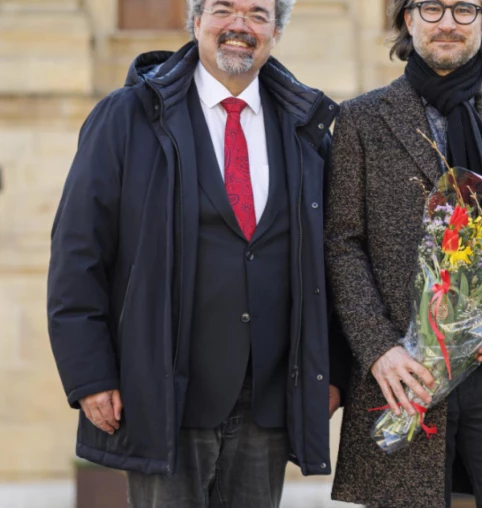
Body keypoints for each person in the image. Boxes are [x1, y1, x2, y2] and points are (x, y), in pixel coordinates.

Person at [46, 1, 349, 506]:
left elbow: (333, 259)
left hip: (268, 400)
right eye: (223, 9)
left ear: (277, 31)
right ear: (196, 20)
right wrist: (90, 374)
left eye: (257, 14)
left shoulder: (307, 129)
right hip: (164, 393)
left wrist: (333, 370)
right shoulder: (127, 117)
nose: (239, 26)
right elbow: (78, 252)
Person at [324, 0, 482, 506]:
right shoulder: (360, 120)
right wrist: (378, 349)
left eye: (464, 8)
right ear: (408, 19)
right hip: (403, 373)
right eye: (430, 6)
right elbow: (342, 244)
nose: (446, 23)